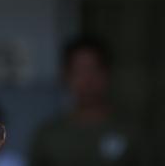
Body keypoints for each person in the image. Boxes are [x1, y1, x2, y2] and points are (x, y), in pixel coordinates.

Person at [28, 37, 143, 166]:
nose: (87, 81)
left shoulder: (131, 132)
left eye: (94, 70)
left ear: (107, 73)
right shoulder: (49, 136)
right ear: (66, 76)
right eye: (79, 72)